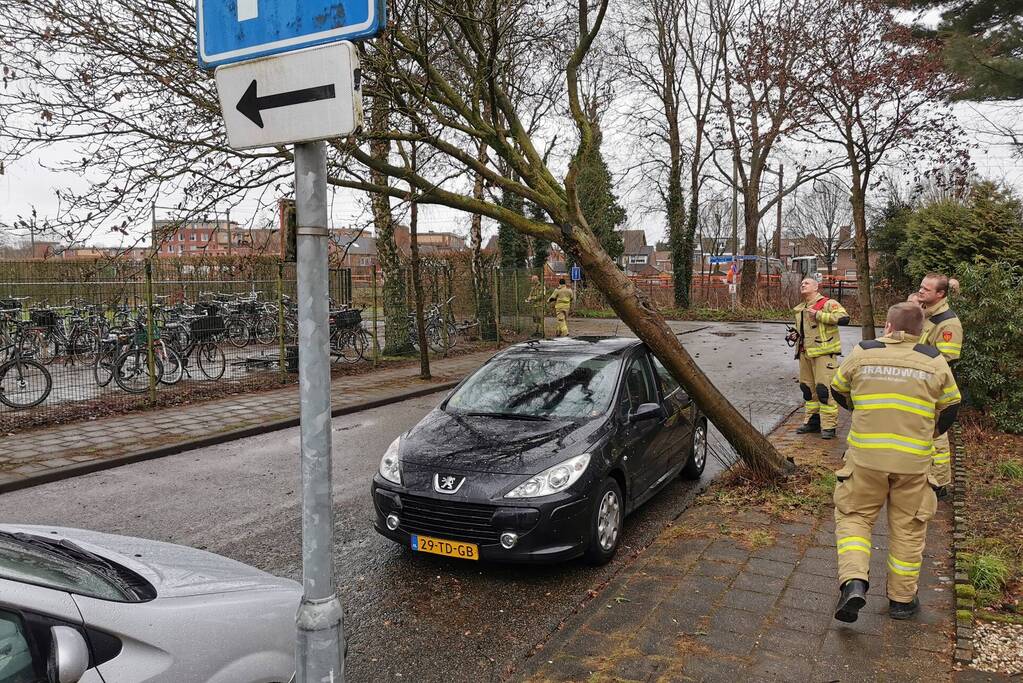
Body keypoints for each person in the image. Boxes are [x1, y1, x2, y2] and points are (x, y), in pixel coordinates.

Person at [829, 302, 961, 622]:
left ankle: (854, 583)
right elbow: (951, 407)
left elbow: (838, 391)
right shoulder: (933, 360)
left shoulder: (863, 352)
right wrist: (929, 433)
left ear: (888, 327)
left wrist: (864, 412)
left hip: (865, 460)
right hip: (913, 465)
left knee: (855, 519)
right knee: (908, 529)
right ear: (920, 332)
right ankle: (902, 601)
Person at [917, 272, 964, 495]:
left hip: (934, 386)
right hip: (919, 383)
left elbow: (947, 358)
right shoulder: (926, 314)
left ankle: (940, 483)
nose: (921, 291)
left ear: (940, 294)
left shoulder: (948, 323)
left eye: (926, 289)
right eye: (921, 287)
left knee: (937, 435)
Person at [793, 277, 850, 439]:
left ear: (816, 287)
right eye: (801, 283)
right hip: (805, 353)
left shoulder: (827, 304)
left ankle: (829, 426)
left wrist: (819, 315)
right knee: (808, 391)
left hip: (824, 354)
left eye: (807, 283)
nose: (802, 284)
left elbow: (844, 318)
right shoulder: (801, 309)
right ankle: (812, 422)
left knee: (824, 391)